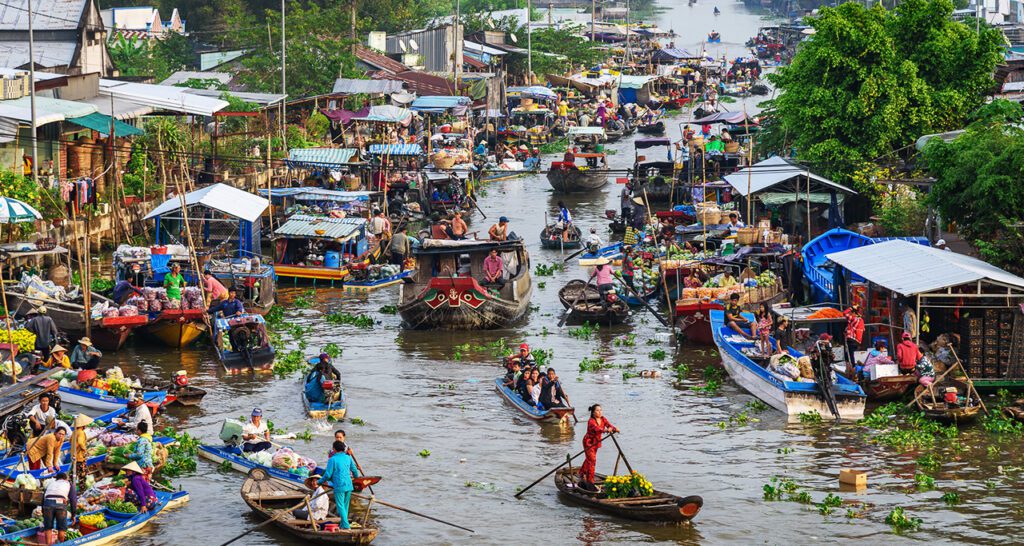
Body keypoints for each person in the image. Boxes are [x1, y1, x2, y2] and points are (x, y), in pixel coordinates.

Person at [319, 441, 361, 529]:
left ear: (334, 449)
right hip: (349, 485)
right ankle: (343, 524)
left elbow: (327, 475)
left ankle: (346, 525)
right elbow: (354, 470)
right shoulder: (348, 458)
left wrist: (319, 481)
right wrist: (356, 478)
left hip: (339, 485)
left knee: (340, 506)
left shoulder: (332, 459)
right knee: (345, 506)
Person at [578, 404, 619, 490]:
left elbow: (609, 425)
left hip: (596, 442)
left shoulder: (603, 419)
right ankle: (590, 480)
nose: (600, 412)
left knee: (589, 459)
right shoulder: (591, 421)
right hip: (589, 442)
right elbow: (596, 429)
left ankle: (582, 472)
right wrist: (605, 430)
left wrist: (614, 429)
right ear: (593, 413)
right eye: (597, 410)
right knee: (592, 460)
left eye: (601, 410)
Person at [41, 472, 76, 543]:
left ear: (56, 479)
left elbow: (43, 499)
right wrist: (73, 515)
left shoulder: (51, 484)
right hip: (60, 505)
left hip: (47, 504)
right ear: (66, 478)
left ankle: (48, 545)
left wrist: (43, 511)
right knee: (61, 528)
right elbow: (73, 500)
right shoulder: (68, 484)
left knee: (48, 528)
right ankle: (61, 544)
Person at [71, 414, 91, 489]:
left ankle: (72, 487)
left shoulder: (74, 432)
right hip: (79, 456)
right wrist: (84, 449)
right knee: (82, 474)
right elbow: (80, 442)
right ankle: (82, 488)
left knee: (73, 472)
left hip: (73, 455)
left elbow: (70, 441)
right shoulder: (81, 432)